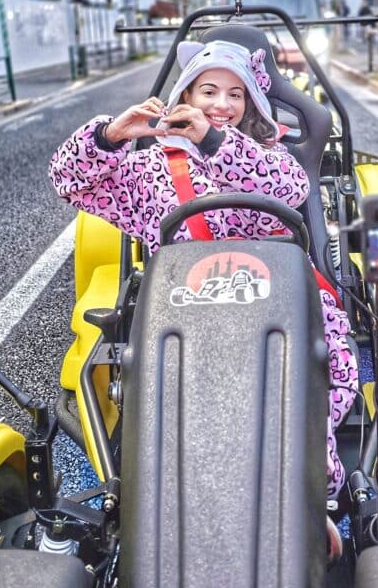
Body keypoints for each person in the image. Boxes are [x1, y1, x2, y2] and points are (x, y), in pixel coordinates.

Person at [49, 39, 358, 499]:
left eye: (236, 94)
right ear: (186, 97)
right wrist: (110, 136)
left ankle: (310, 497)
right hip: (186, 311)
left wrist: (213, 143)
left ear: (251, 102)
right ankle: (172, 498)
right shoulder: (152, 168)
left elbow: (291, 188)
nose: (221, 104)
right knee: (189, 406)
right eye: (208, 91)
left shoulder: (269, 157)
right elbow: (69, 181)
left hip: (276, 304)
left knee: (311, 381)